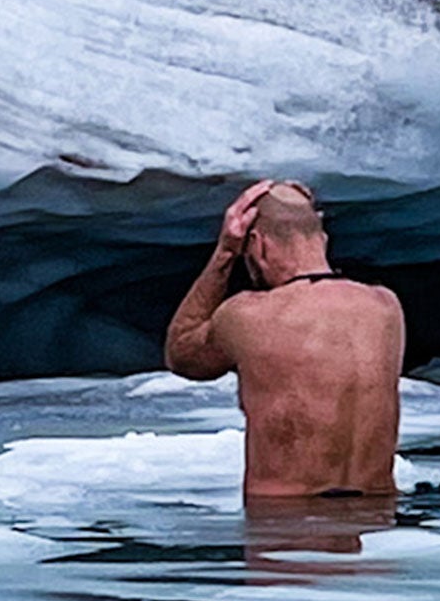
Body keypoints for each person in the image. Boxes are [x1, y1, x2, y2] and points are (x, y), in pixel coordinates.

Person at [163, 180, 406, 501]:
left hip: (285, 524)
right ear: (323, 240)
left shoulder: (249, 315)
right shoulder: (385, 307)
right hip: (375, 519)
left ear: (258, 245)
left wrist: (224, 253)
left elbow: (182, 354)